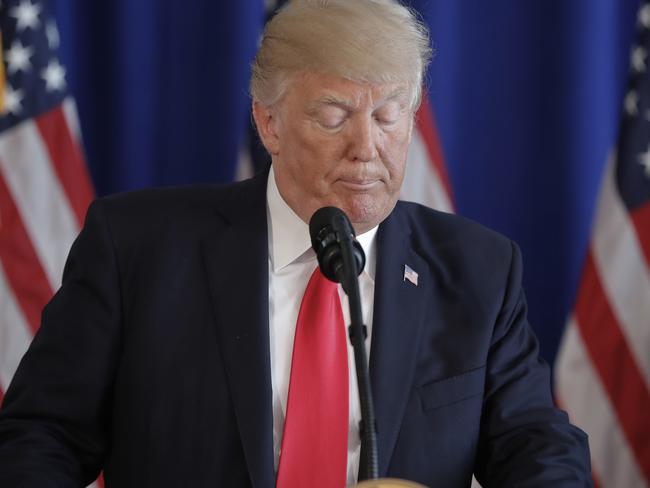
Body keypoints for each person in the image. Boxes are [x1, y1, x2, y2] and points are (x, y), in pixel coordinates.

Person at [0, 0, 591, 486]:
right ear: (269, 123)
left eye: (388, 116)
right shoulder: (137, 250)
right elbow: (38, 437)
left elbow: (537, 447)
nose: (367, 147)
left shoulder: (479, 270)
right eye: (334, 116)